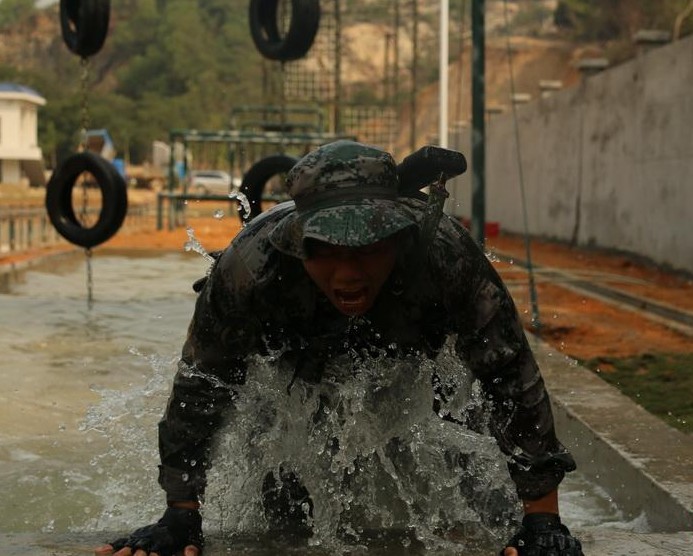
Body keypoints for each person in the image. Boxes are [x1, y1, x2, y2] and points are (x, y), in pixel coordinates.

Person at [96, 140, 583, 556]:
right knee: (286, 506)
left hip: (417, 366)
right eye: (325, 251)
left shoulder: (443, 255)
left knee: (476, 489)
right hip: (293, 373)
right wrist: (181, 513)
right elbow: (204, 385)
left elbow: (509, 376)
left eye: (367, 249)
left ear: (398, 237)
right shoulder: (251, 268)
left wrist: (543, 520)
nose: (347, 275)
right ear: (298, 245)